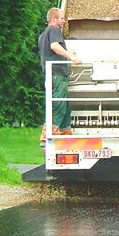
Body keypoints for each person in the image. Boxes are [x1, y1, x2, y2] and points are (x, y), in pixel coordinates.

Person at [38, 8, 81, 146]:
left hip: (51, 74)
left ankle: (65, 130)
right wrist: (71, 57)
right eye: (62, 18)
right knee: (59, 102)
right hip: (56, 73)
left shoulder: (42, 35)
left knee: (65, 103)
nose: (64, 21)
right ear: (54, 19)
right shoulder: (54, 30)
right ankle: (49, 131)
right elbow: (55, 46)